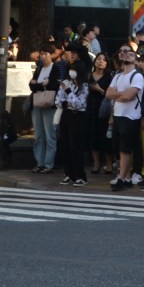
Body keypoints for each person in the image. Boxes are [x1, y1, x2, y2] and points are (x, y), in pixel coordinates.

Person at [105, 46, 144, 191]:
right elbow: (108, 94)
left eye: (131, 55)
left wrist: (118, 94)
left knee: (126, 148)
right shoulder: (118, 76)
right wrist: (121, 95)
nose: (127, 56)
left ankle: (122, 177)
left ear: (136, 61)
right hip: (118, 115)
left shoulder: (137, 76)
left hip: (131, 116)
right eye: (125, 54)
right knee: (118, 147)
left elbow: (130, 96)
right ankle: (126, 176)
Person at [55, 47, 90, 186]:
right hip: (66, 115)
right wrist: (65, 101)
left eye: (75, 69)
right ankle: (68, 173)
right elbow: (58, 99)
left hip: (78, 117)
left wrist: (69, 93)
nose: (72, 72)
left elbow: (79, 104)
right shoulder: (66, 82)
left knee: (76, 146)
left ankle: (80, 175)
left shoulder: (84, 86)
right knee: (65, 145)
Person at [28, 45, 63, 174]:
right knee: (39, 135)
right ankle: (40, 162)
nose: (43, 57)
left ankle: (49, 164)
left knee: (50, 135)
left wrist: (37, 84)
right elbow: (31, 85)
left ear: (52, 55)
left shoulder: (56, 68)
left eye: (46, 54)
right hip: (37, 103)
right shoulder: (39, 69)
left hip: (50, 104)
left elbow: (54, 85)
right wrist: (41, 85)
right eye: (41, 54)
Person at [85, 52, 113, 175]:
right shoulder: (89, 75)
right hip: (90, 108)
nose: (100, 61)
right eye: (98, 59)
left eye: (103, 60)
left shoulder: (109, 77)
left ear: (107, 63)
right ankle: (96, 163)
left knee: (105, 138)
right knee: (92, 136)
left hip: (104, 110)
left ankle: (108, 164)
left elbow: (110, 94)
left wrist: (99, 89)